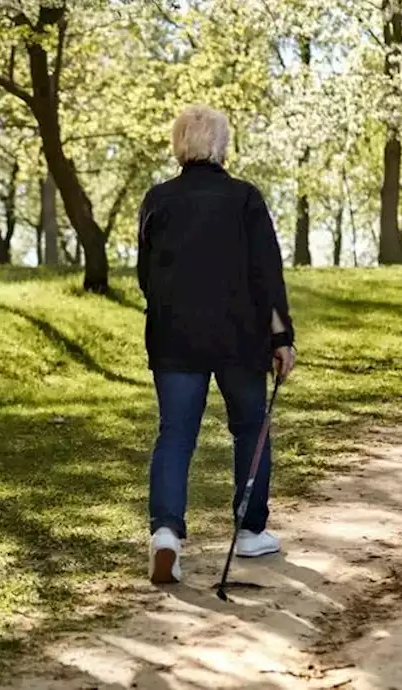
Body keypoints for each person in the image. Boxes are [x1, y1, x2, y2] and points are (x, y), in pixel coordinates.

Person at [137, 106, 297, 585]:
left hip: (174, 335)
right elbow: (266, 274)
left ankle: (166, 533)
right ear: (221, 145)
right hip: (238, 336)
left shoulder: (157, 200)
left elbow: (146, 276)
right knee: (250, 425)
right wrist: (281, 338)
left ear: (179, 144)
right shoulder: (244, 199)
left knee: (176, 434)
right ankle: (249, 531)